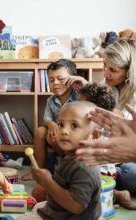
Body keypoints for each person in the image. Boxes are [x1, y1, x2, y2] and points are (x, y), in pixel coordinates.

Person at [19, 101, 102, 220]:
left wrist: (48, 183)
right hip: (61, 212)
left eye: (74, 126)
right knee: (39, 205)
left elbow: (77, 206)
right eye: (61, 125)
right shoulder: (70, 155)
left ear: (94, 136)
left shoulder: (85, 166)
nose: (64, 131)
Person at [74, 39, 136, 196]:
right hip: (109, 157)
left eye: (113, 70)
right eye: (104, 66)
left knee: (130, 173)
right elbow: (99, 104)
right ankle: (113, 187)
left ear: (129, 71)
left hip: (128, 158)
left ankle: (112, 187)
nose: (105, 73)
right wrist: (86, 87)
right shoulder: (107, 84)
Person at [22, 59, 87, 180]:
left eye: (61, 79)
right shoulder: (51, 100)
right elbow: (46, 119)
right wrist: (51, 124)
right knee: (41, 131)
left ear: (72, 79)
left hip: (75, 135)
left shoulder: (80, 96)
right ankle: (38, 170)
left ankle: (66, 166)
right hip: (56, 136)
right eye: (51, 80)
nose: (55, 83)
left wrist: (84, 86)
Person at [78, 83, 136, 209]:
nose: (77, 106)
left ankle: (114, 194)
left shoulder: (90, 126)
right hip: (109, 171)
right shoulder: (98, 125)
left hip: (103, 171)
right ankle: (114, 193)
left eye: (80, 104)